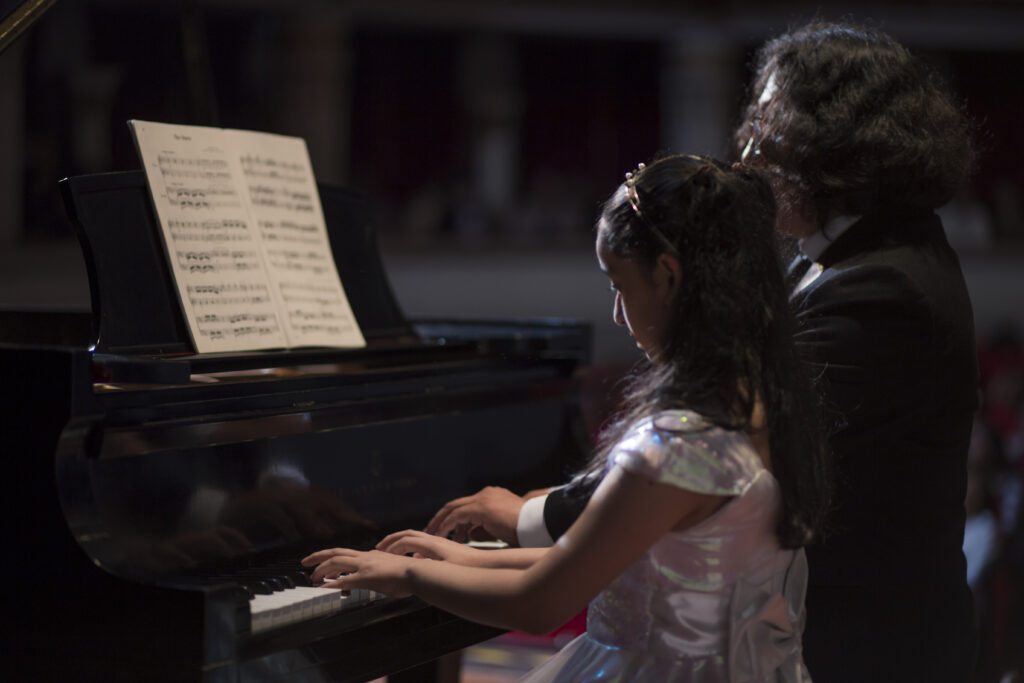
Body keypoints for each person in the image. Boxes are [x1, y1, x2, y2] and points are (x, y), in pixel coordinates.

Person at [426, 20, 981, 683]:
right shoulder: (848, 256)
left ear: (841, 145)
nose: (746, 157)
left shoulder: (882, 290)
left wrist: (530, 516)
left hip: (859, 649)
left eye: (767, 134)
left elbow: (704, 455)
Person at [304, 154, 832, 681]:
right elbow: (602, 564)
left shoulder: (680, 445)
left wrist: (411, 576)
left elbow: (540, 603)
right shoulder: (761, 400)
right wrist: (454, 558)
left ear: (668, 276)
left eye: (618, 285)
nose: (617, 314)